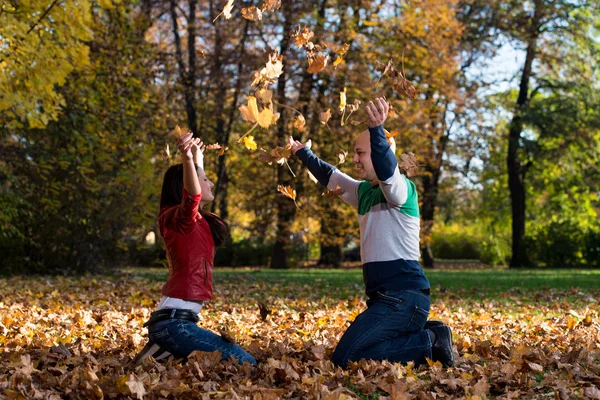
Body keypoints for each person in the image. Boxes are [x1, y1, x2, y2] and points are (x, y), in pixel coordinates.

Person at [289, 97, 454, 368]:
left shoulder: (402, 190)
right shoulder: (363, 192)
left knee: (347, 357)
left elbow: (389, 172)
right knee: (358, 352)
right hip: (384, 300)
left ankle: (431, 341)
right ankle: (424, 335)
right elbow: (331, 176)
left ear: (379, 152)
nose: (354, 159)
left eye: (360, 153)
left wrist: (378, 130)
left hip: (404, 298)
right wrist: (302, 153)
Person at [134, 131, 256, 366]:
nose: (211, 182)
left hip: (178, 323)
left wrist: (197, 157)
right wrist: (188, 160)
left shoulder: (195, 221)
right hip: (173, 324)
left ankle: (161, 354)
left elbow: (194, 187)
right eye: (206, 178)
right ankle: (166, 350)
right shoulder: (181, 219)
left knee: (231, 361)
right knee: (246, 362)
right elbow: (192, 193)